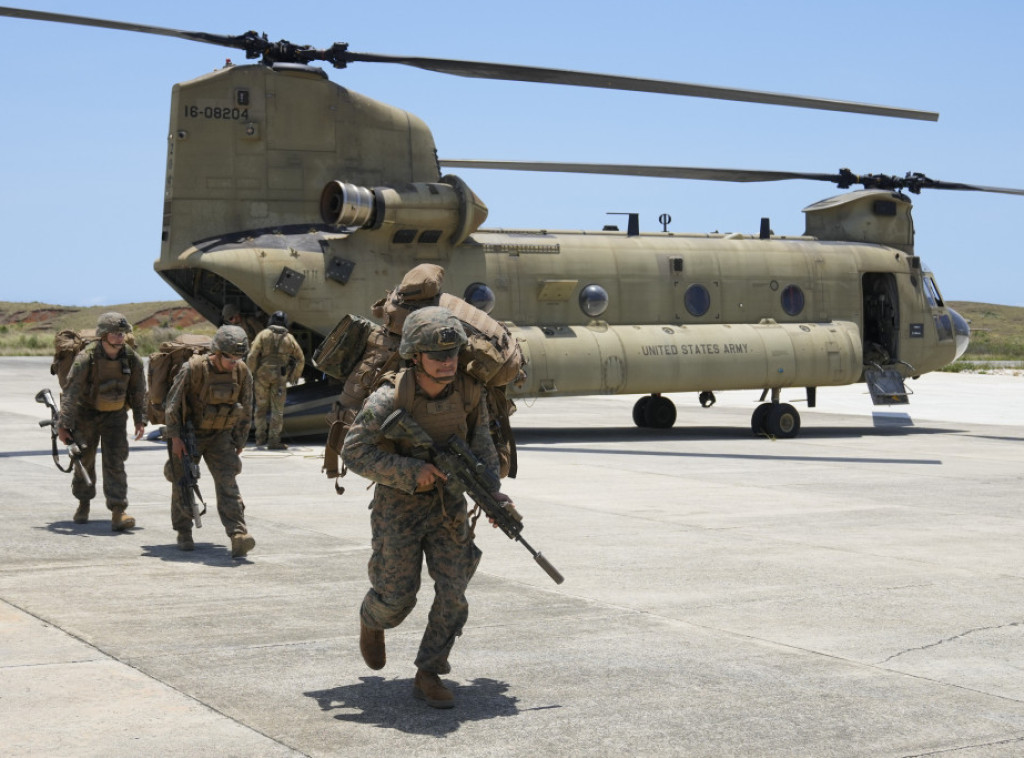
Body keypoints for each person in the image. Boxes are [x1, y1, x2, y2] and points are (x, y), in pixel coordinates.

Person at [342, 306, 507, 709]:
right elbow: (354, 451)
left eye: (452, 354)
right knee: (397, 597)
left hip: (449, 506)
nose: (447, 362)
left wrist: (493, 496)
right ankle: (372, 618)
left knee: (454, 591)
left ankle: (429, 672)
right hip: (399, 506)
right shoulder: (391, 397)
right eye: (437, 355)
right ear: (416, 356)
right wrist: (411, 471)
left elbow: (483, 451)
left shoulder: (470, 394)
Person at [163, 325, 256, 557]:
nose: (234, 363)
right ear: (217, 352)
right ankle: (184, 531)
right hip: (189, 434)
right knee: (183, 481)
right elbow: (172, 405)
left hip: (221, 436)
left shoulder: (242, 372)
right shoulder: (192, 369)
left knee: (228, 482)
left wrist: (240, 440)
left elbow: (246, 408)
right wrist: (175, 438)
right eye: (230, 358)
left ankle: (238, 534)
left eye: (238, 358)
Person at [57, 312, 147, 530]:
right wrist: (64, 425)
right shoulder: (85, 358)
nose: (120, 337)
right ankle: (83, 502)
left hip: (115, 416)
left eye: (122, 333)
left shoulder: (131, 358)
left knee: (115, 462)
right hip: (86, 415)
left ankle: (118, 510)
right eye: (115, 333)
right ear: (104, 335)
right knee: (84, 461)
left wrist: (140, 419)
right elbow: (71, 392)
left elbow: (138, 390)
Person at [246, 310, 305, 449]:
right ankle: (274, 441)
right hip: (280, 377)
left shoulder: (263, 335)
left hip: (262, 376)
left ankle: (260, 439)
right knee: (277, 410)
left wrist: (251, 373)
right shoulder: (289, 338)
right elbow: (300, 359)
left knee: (260, 408)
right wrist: (295, 375)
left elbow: (252, 356)